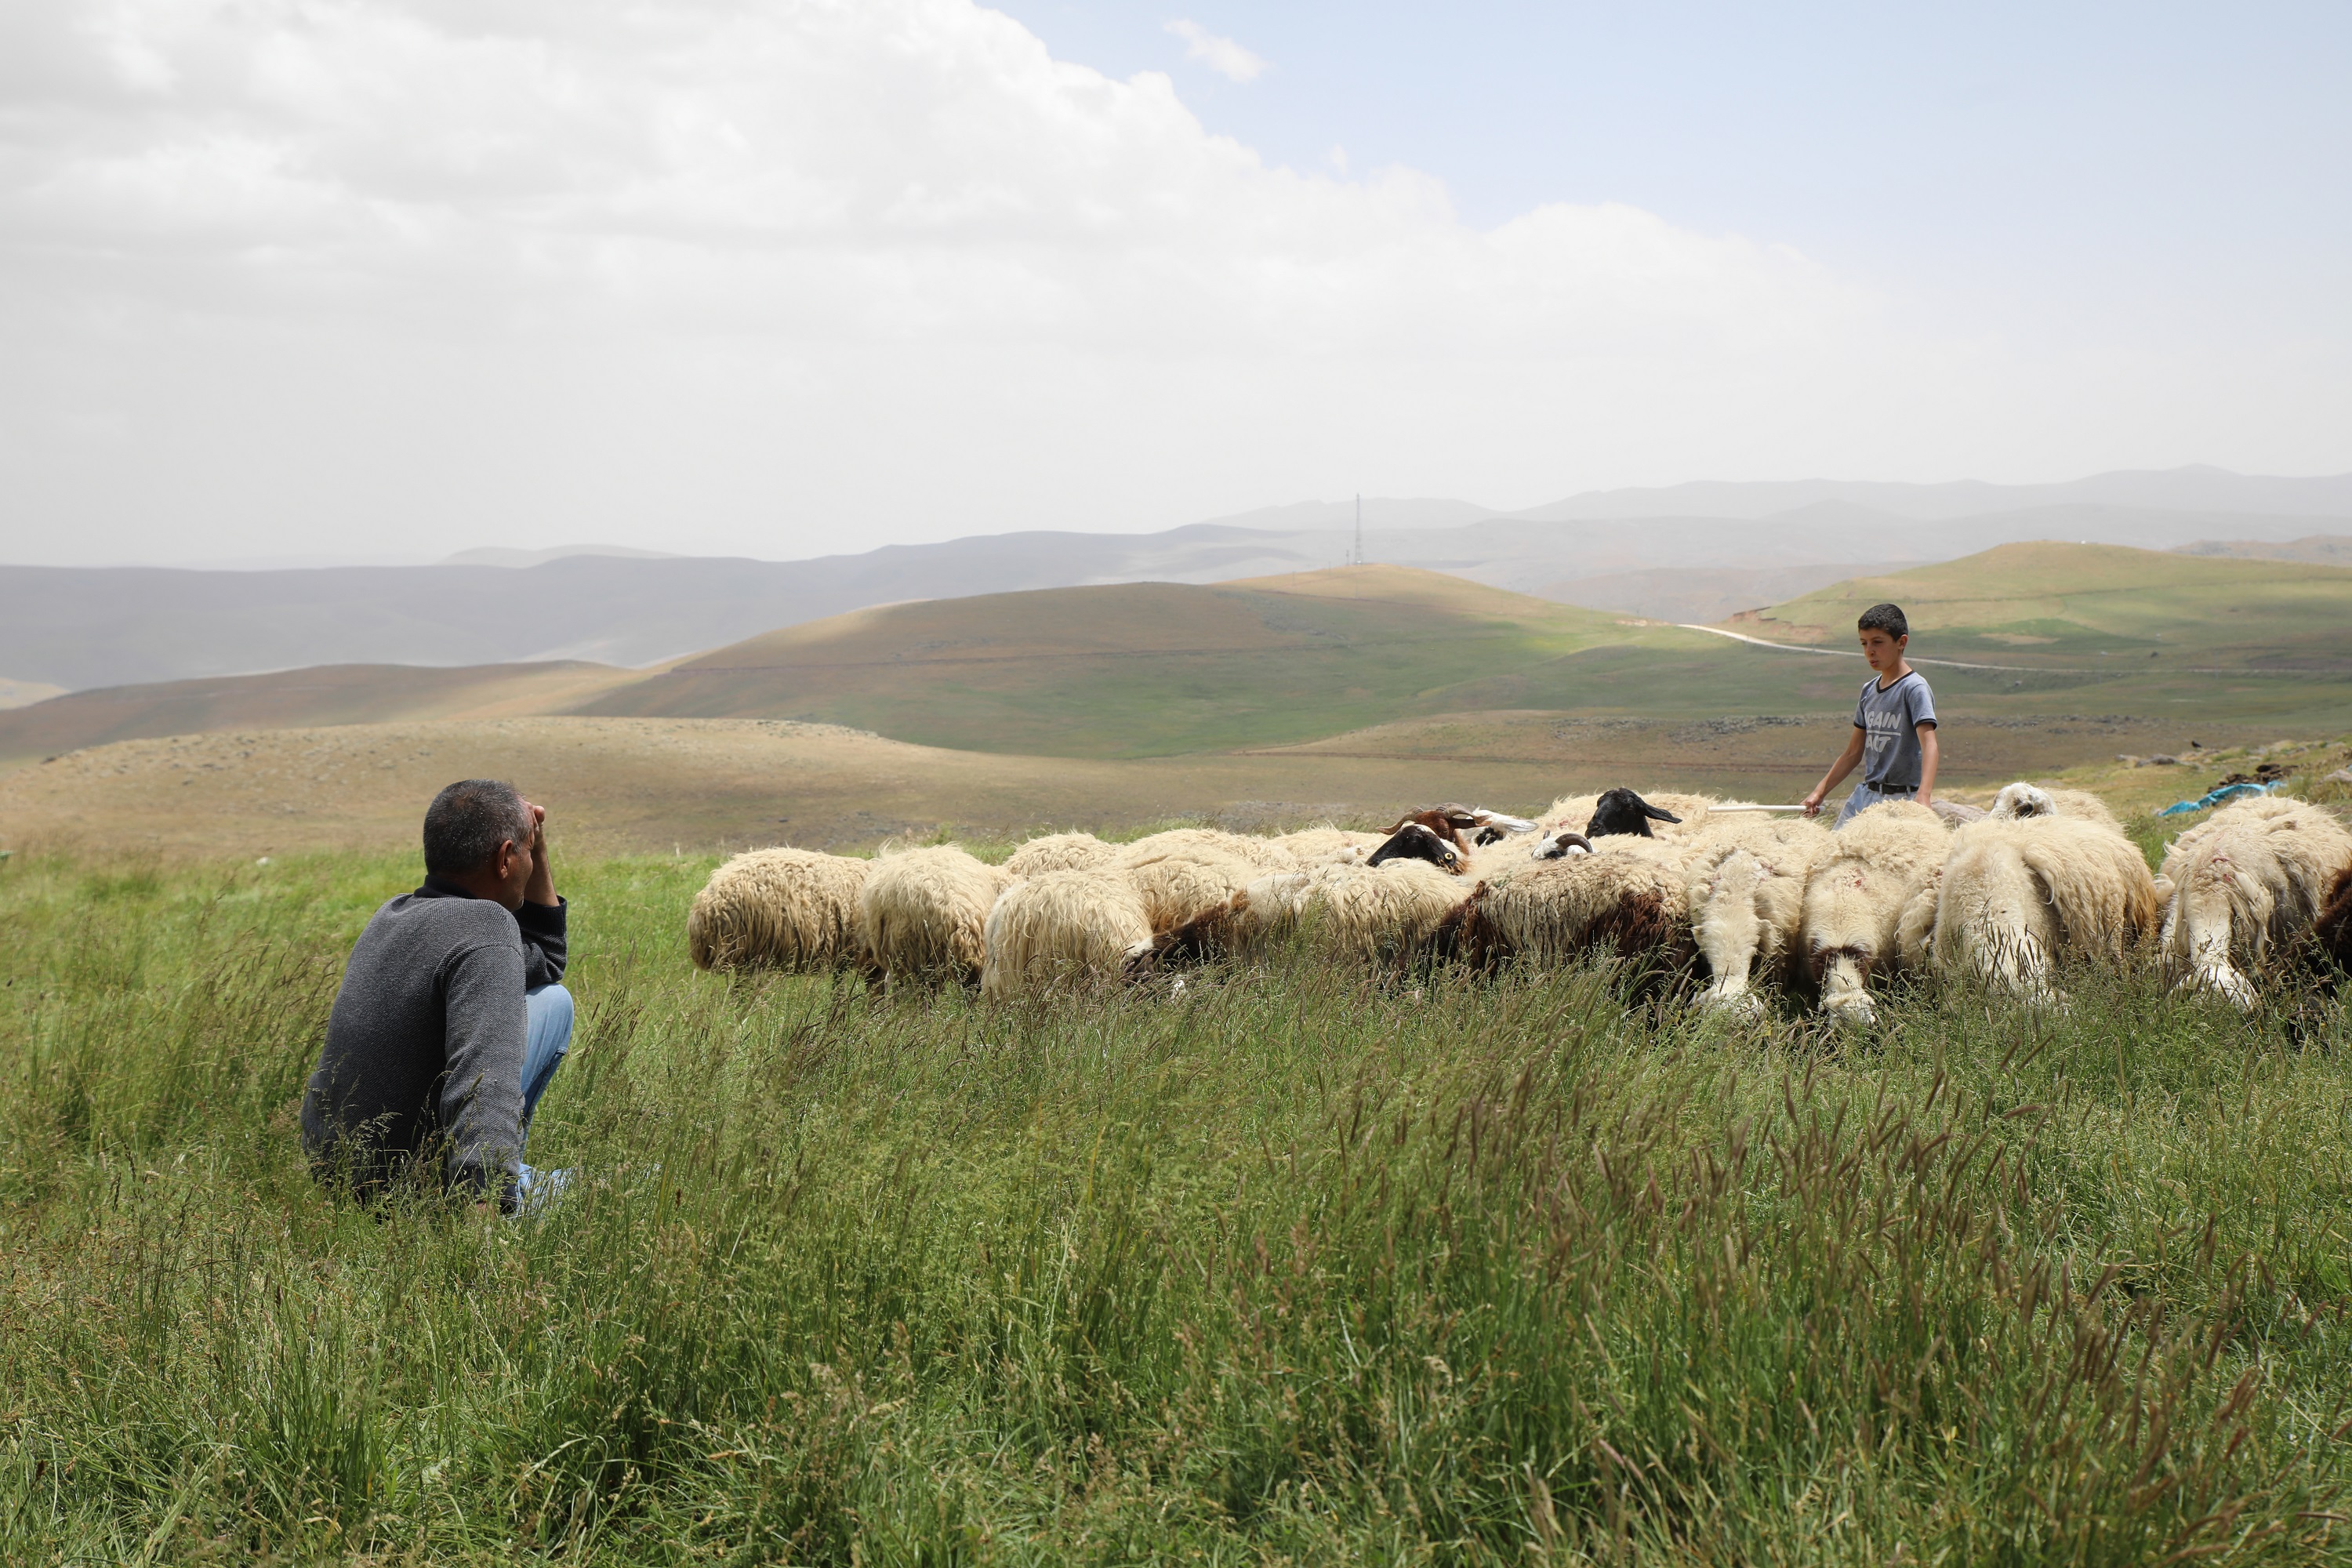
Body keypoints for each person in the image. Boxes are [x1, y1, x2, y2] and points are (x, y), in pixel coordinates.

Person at [301, 779, 572, 1211]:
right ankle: (507, 1186)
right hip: (413, 1198)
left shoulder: (391, 916)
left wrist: (534, 848)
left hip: (336, 1179)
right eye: (525, 850)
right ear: (505, 859)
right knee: (629, 1189)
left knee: (551, 998)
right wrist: (483, 1211)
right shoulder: (487, 928)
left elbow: (548, 962)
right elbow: (484, 1076)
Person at [1802, 601, 1938, 828]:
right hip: (1865, 796)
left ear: (1901, 642)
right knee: (1831, 855)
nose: (1870, 651)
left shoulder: (1914, 688)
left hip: (1901, 800)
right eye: (1864, 644)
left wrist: (1923, 796)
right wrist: (1820, 792)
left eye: (1878, 642)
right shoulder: (1868, 690)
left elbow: (1930, 745)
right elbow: (1853, 752)